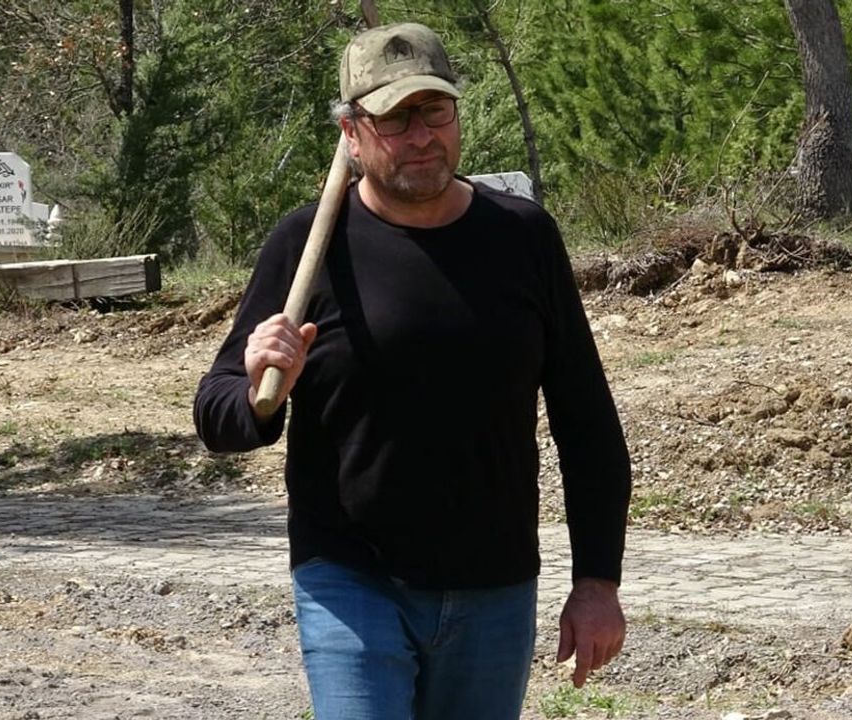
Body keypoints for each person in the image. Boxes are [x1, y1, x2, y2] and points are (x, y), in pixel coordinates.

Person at [193, 21, 631, 720]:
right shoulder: (309, 247)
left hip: (494, 583)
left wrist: (597, 582)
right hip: (350, 577)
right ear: (351, 133)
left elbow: (588, 424)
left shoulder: (523, 238)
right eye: (395, 119)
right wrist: (256, 389)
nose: (422, 136)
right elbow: (216, 415)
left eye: (435, 111)